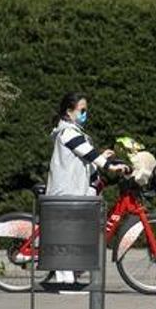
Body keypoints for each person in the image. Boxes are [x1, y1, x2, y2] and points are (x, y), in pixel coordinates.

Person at [45, 92, 127, 288]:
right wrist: (109, 166)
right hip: (66, 192)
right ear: (69, 111)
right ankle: (64, 283)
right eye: (82, 110)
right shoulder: (67, 132)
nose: (84, 114)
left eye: (86, 110)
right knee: (67, 236)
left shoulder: (74, 131)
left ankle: (70, 276)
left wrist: (102, 157)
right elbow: (87, 153)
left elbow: (84, 155)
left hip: (74, 191)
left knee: (74, 234)